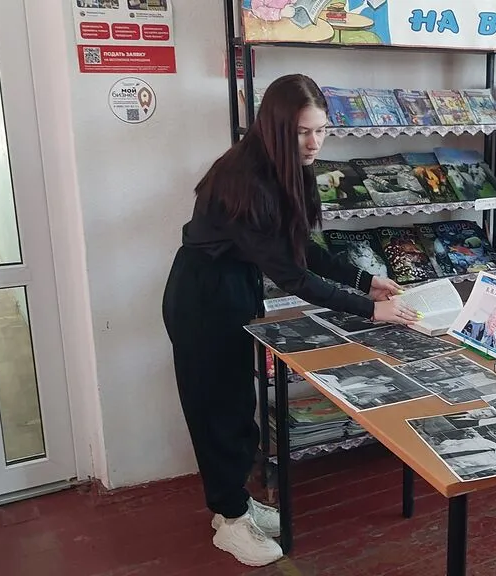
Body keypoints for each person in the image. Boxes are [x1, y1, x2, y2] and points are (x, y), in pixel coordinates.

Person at [161, 74, 419, 567]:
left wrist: (365, 281)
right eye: (303, 132)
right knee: (215, 411)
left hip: (234, 290)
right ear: (276, 127)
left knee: (239, 405)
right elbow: (293, 276)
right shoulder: (243, 179)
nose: (315, 143)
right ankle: (230, 520)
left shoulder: (288, 166)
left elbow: (301, 246)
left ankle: (235, 505)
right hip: (202, 298)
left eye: (321, 130)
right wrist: (370, 309)